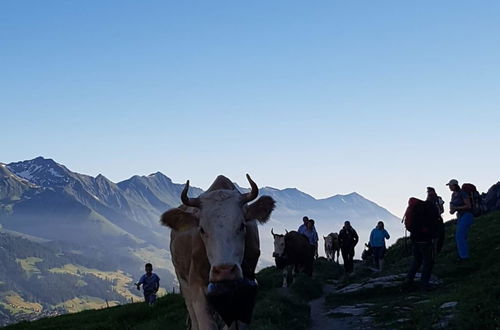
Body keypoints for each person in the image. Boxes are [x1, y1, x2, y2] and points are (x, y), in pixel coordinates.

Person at [403, 198, 441, 291]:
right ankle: (424, 284)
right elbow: (434, 224)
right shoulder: (428, 210)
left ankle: (408, 282)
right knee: (428, 262)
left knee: (416, 261)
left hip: (415, 239)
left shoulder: (414, 210)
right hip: (425, 240)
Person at [447, 179, 473, 260]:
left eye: (450, 185)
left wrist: (456, 207)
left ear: (455, 185)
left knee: (460, 235)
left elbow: (468, 206)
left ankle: (464, 257)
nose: (449, 187)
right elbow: (452, 210)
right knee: (462, 236)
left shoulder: (462, 193)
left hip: (467, 215)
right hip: (460, 216)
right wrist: (452, 209)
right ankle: (463, 255)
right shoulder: (453, 195)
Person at [426, 187, 445, 254]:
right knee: (437, 235)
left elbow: (442, 210)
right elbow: (442, 210)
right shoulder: (437, 199)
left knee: (435, 236)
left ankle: (434, 251)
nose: (428, 193)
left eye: (429, 191)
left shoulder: (428, 201)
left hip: (433, 220)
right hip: (436, 219)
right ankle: (435, 251)